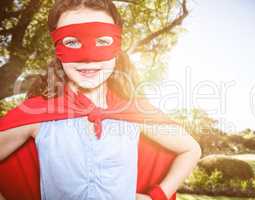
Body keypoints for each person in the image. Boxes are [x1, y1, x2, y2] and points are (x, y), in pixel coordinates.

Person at [0, 0, 201, 200]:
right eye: (72, 42)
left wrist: (156, 196)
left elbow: (190, 149)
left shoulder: (134, 111)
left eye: (102, 41)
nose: (88, 58)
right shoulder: (36, 114)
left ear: (118, 47)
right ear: (57, 49)